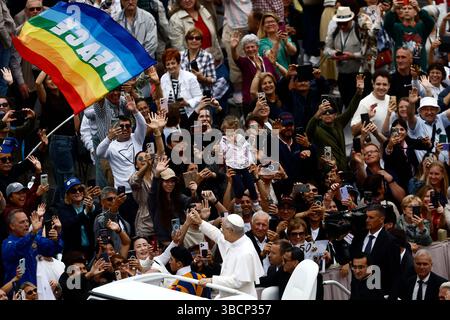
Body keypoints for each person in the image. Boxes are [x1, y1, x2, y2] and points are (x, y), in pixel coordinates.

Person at [96, 96, 146, 234]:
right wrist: (109, 137)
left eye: (127, 126)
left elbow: (143, 125)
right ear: (115, 128)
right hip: (123, 192)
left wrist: (135, 111)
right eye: (121, 126)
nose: (124, 128)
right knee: (129, 225)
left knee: (143, 222)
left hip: (140, 189)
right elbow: (99, 152)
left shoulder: (137, 138)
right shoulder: (111, 146)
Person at [192, 212, 264, 298]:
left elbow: (238, 281)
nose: (221, 231)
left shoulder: (246, 252)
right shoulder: (235, 238)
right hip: (227, 295)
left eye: (223, 229)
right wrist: (200, 222)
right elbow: (217, 235)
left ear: (231, 231)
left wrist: (212, 280)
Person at [306, 74, 364, 171]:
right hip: (327, 171)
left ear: (336, 114)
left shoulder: (338, 123)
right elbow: (308, 131)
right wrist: (317, 114)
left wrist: (358, 92)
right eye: (324, 112)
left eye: (331, 112)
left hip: (343, 168)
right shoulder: (316, 128)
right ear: (320, 115)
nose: (328, 114)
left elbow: (350, 110)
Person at [349, 203, 401, 298]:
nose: (367, 220)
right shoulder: (358, 237)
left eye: (371, 218)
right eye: (366, 217)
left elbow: (395, 274)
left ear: (381, 219)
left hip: (379, 294)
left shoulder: (391, 242)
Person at [2, 209, 60, 286]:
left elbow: (51, 250)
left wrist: (56, 236)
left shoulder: (34, 238)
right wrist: (33, 233)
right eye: (22, 222)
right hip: (18, 291)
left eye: (27, 221)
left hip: (35, 288)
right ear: (12, 226)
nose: (26, 224)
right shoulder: (7, 244)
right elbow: (19, 248)